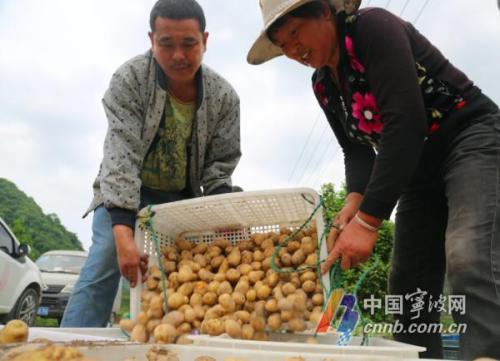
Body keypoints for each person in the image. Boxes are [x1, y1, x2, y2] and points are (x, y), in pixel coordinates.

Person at [247, 0, 500, 359]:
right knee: (408, 280)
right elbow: (358, 151)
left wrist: (368, 221)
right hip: (416, 169)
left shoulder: (372, 29)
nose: (294, 49)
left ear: (323, 11)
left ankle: (486, 353)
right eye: (283, 45)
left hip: (469, 138)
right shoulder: (323, 84)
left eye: (295, 33)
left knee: (467, 253)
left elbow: (406, 123)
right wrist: (354, 201)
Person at [61, 0, 241, 327]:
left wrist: (221, 211)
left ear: (205, 41)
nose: (178, 56)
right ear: (151, 40)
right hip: (122, 190)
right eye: (166, 44)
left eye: (189, 44)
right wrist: (122, 230)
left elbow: (219, 166)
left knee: (183, 276)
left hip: (179, 199)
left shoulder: (224, 97)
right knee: (104, 261)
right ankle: (75, 344)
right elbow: (121, 152)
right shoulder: (130, 79)